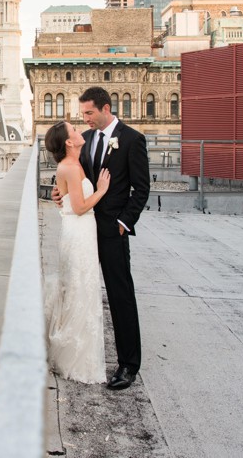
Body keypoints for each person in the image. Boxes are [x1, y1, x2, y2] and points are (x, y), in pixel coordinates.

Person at [52, 86, 150, 390]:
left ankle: (128, 366)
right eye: (82, 115)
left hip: (112, 231)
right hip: (85, 230)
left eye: (89, 113)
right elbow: (78, 180)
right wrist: (60, 194)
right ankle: (81, 352)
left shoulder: (133, 140)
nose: (86, 120)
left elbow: (142, 189)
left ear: (106, 108)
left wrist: (124, 223)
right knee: (84, 291)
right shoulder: (89, 140)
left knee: (121, 296)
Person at [43, 121, 111, 383]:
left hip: (80, 230)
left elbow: (69, 200)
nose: (78, 129)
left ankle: (79, 351)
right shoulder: (69, 167)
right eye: (73, 129)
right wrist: (102, 190)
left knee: (82, 287)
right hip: (79, 230)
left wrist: (61, 196)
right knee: (80, 287)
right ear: (69, 142)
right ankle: (76, 357)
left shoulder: (74, 163)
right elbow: (81, 207)